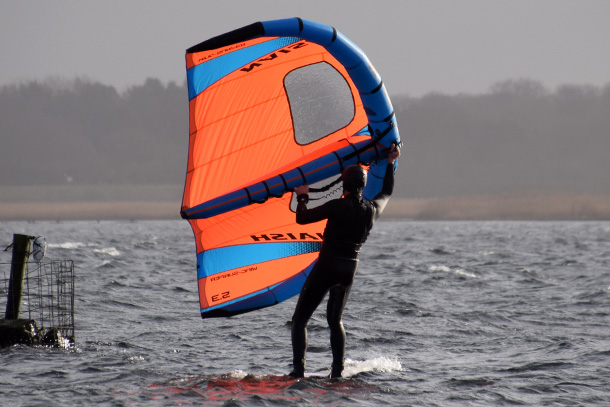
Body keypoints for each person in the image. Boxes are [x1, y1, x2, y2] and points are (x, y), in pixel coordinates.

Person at [290, 144, 401, 378]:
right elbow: (387, 192)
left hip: (328, 265)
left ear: (343, 185)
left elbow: (302, 218)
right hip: (349, 269)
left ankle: (298, 372)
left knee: (300, 319)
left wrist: (302, 196)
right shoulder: (371, 210)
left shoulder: (337, 206)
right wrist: (390, 163)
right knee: (335, 320)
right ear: (362, 186)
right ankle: (337, 372)